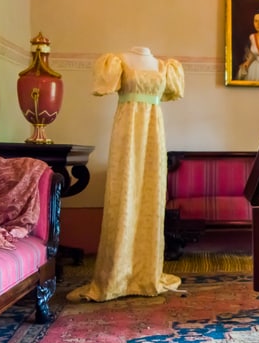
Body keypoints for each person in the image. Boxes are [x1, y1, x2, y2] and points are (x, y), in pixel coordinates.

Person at [68, 46, 184, 303]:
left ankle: (146, 271)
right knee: (124, 196)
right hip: (127, 131)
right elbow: (104, 87)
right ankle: (116, 274)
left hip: (154, 131)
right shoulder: (117, 62)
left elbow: (171, 92)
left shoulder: (164, 65)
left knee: (150, 199)